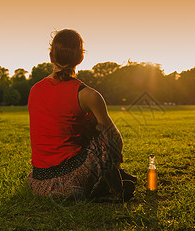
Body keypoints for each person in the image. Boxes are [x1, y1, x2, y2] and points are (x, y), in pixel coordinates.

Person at [27, 29, 136, 201]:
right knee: (102, 137)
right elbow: (115, 142)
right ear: (81, 58)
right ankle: (117, 191)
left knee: (89, 126)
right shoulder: (88, 95)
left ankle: (104, 184)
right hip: (70, 182)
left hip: (39, 183)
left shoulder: (35, 90)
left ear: (50, 56)